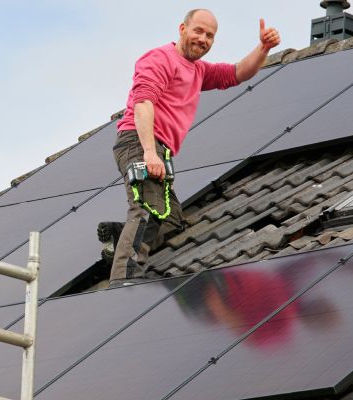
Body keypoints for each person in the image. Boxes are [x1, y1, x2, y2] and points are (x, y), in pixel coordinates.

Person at [106, 9, 280, 282]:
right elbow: (143, 103)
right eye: (198, 31)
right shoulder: (160, 58)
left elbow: (236, 74)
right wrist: (150, 152)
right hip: (139, 141)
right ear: (182, 29)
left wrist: (263, 48)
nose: (203, 39)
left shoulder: (198, 70)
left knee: (172, 219)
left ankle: (121, 237)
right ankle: (123, 279)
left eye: (210, 35)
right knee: (147, 210)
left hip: (159, 150)